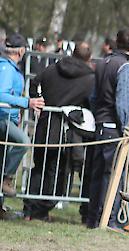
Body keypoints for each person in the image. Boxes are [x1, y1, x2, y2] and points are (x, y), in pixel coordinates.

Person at [23, 42, 95, 221]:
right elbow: (90, 102)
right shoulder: (90, 79)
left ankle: (30, 208)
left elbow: (34, 82)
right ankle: (40, 210)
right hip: (67, 129)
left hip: (46, 124)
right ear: (88, 58)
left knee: (40, 167)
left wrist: (37, 99)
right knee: (58, 171)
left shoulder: (51, 69)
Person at [86, 29, 129, 230]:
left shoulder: (101, 63)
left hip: (99, 123)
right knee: (112, 175)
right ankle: (108, 219)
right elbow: (122, 102)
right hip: (113, 127)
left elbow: (92, 96)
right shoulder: (124, 67)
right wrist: (125, 125)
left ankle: (92, 218)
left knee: (97, 174)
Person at [0, 33, 45, 199]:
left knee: (2, 160)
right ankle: (7, 178)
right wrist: (27, 103)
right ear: (20, 51)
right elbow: (1, 95)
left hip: (7, 118)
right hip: (2, 119)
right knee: (24, 142)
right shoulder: (6, 69)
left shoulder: (8, 68)